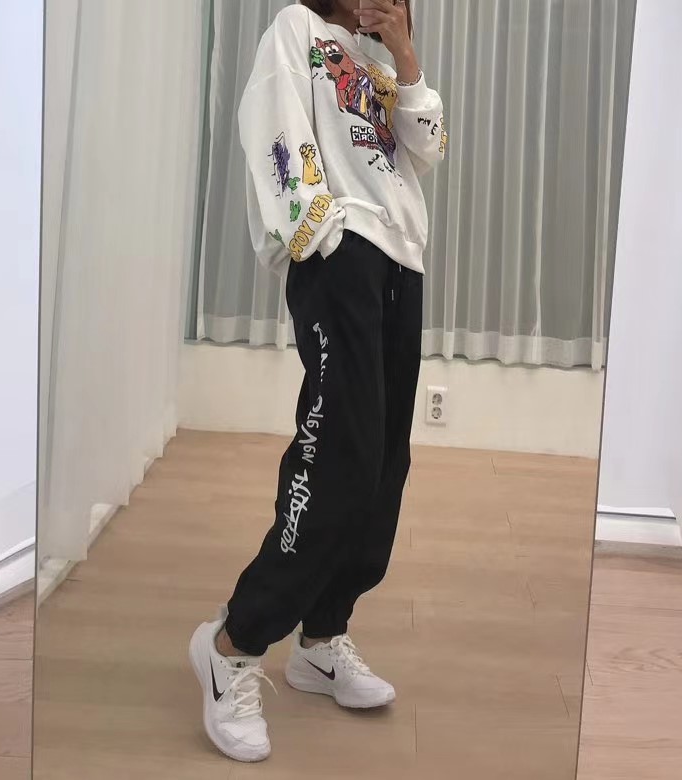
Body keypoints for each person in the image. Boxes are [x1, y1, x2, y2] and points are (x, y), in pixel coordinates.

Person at [189, 0, 447, 762]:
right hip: (344, 256)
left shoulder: (378, 61)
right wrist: (320, 237)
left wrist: (404, 53)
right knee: (338, 455)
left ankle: (322, 637)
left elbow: (428, 148)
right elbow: (273, 127)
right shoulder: (295, 31)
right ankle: (234, 644)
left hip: (400, 264)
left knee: (384, 466)